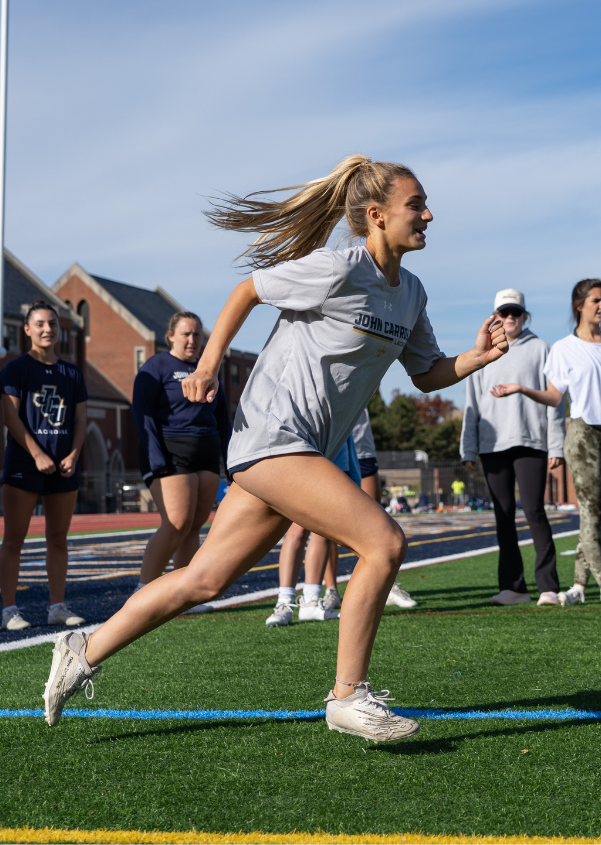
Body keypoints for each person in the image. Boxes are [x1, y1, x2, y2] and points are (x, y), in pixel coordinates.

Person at [43, 155, 509, 743]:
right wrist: (209, 366)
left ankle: (82, 649)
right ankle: (347, 697)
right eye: (416, 205)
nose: (428, 214)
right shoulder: (337, 268)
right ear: (375, 215)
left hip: (299, 450)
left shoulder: (410, 293)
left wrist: (480, 358)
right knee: (385, 542)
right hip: (272, 438)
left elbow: (427, 373)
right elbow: (248, 291)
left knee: (203, 580)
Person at [494, 279, 601, 610]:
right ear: (579, 306)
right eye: (596, 300)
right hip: (583, 434)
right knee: (588, 513)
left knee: (596, 517)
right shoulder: (564, 348)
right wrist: (522, 389)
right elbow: (555, 397)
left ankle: (579, 586)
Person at [460, 288, 566, 607]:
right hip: (493, 446)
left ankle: (548, 587)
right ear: (495, 317)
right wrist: (468, 449)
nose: (510, 319)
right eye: (504, 313)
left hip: (531, 442)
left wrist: (556, 446)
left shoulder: (542, 349)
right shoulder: (480, 353)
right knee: (503, 515)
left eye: (515, 313)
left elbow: (555, 401)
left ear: (524, 316)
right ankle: (514, 587)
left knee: (534, 511)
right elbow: (471, 406)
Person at [132, 311, 231, 615]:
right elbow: (142, 414)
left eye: (197, 334)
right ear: (171, 336)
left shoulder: (208, 368)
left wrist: (231, 461)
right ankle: (143, 592)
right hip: (170, 453)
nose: (192, 340)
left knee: (193, 529)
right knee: (175, 524)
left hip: (206, 453)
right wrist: (156, 458)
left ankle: (182, 597)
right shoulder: (157, 366)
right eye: (186, 334)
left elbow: (223, 418)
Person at [0, 301, 87, 631]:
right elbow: (10, 417)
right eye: (40, 324)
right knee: (14, 539)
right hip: (25, 464)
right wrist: (37, 454)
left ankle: (57, 607)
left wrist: (74, 454)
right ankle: (9, 610)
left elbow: (80, 419)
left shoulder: (72, 372)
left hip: (63, 467)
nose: (48, 329)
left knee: (58, 539)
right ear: (27, 330)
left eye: (52, 323)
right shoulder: (15, 369)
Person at [266, 435, 360, 627]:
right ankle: (285, 601)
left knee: (323, 528)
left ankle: (311, 599)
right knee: (296, 529)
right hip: (302, 440)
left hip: (333, 442)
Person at [352, 405, 417, 608]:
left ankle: (386, 587)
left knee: (378, 529)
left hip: (361, 447)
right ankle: (323, 592)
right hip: (329, 446)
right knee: (317, 533)